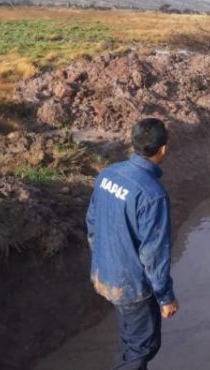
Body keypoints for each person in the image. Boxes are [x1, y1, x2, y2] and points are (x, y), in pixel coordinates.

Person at [86, 118, 179, 370]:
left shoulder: (107, 174)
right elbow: (154, 255)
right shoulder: (153, 194)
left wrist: (105, 261)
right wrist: (165, 297)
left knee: (131, 338)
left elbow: (92, 223)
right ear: (163, 149)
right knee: (144, 346)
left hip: (105, 274)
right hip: (131, 286)